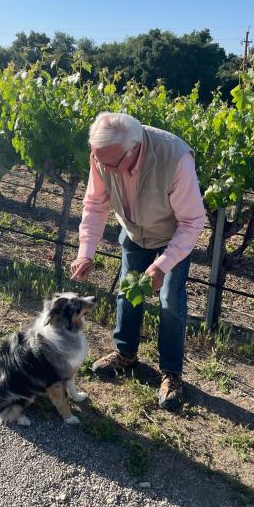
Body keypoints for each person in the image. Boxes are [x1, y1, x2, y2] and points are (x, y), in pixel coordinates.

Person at [70, 112, 205, 410]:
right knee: (128, 294)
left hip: (173, 236)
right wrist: (86, 251)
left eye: (111, 164)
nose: (103, 168)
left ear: (133, 149)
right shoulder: (104, 156)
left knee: (170, 300)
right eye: (98, 160)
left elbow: (193, 221)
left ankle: (171, 373)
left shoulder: (175, 158)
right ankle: (126, 355)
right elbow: (95, 204)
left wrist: (163, 264)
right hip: (133, 233)